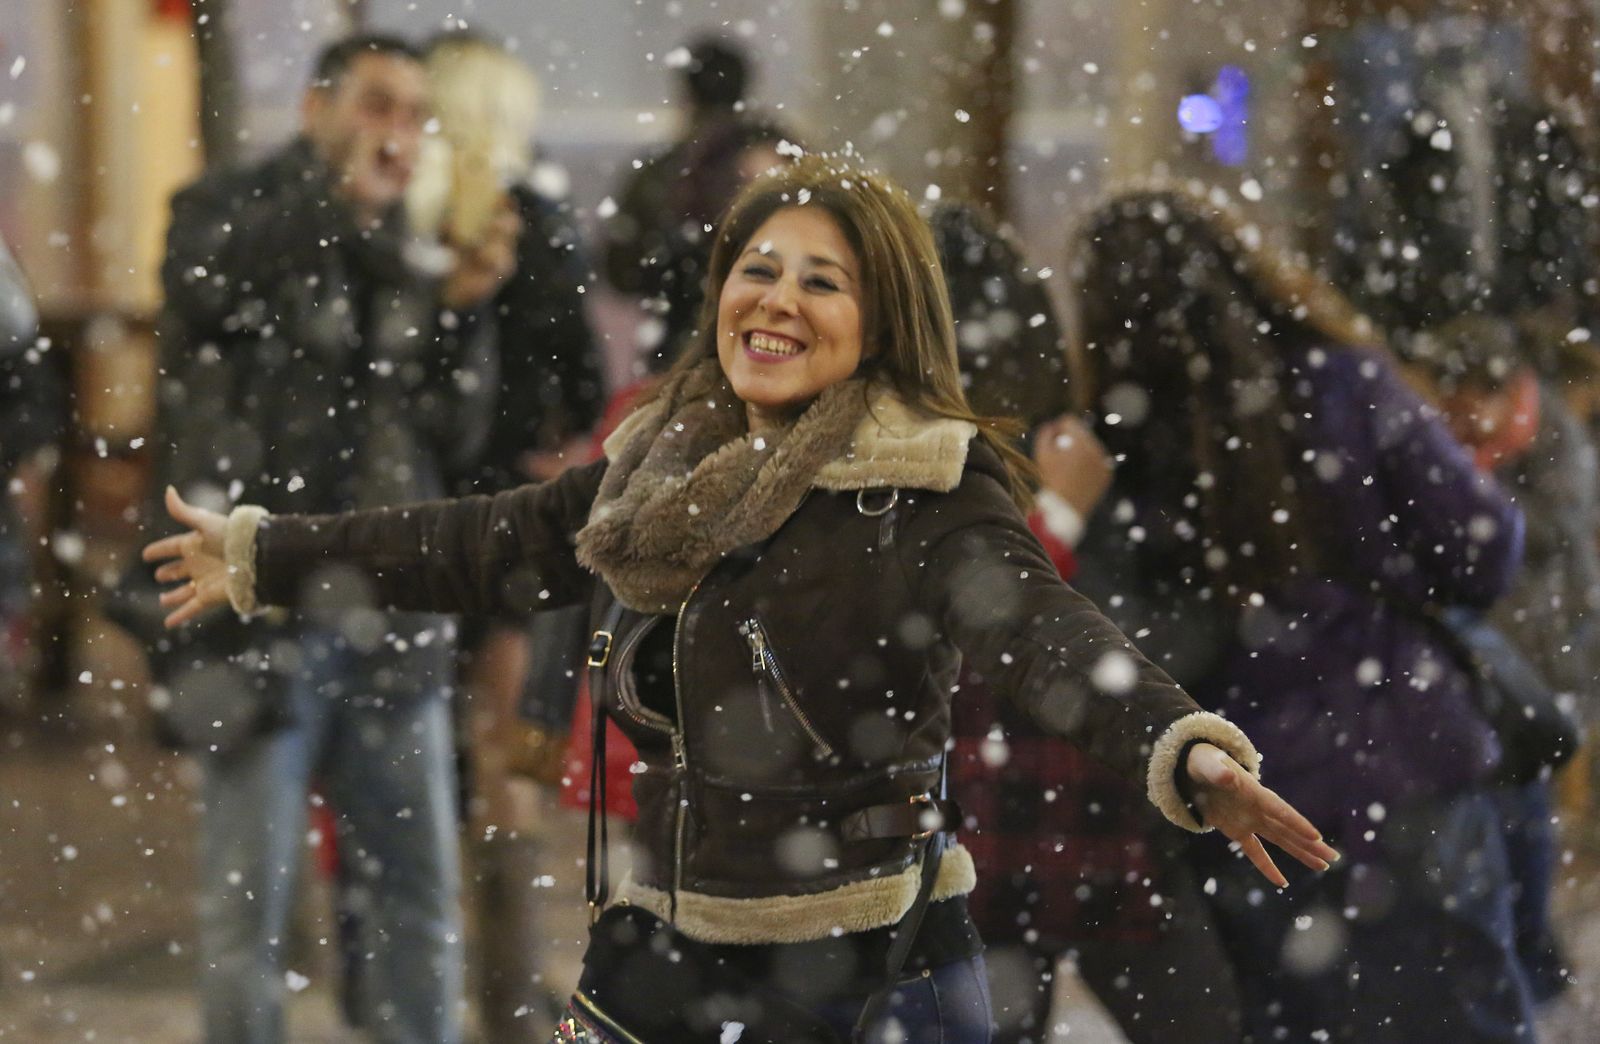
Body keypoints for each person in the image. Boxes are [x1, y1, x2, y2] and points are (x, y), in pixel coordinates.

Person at [145, 154, 1335, 1043]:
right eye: (757, 269)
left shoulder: (919, 486)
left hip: (866, 961)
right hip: (669, 934)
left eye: (822, 281)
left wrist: (1180, 748)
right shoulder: (659, 468)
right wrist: (264, 556)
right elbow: (482, 542)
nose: (775, 300)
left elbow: (1044, 632)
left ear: (881, 322)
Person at [1071, 185, 1532, 1042]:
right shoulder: (1346, 380)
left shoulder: (1128, 443)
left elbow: (1127, 648)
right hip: (1414, 758)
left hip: (1251, 800)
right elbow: (1483, 553)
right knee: (1464, 1014)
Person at [147, 34, 518, 1044]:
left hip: (393, 613)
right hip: (253, 612)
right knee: (250, 907)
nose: (396, 132)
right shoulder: (227, 207)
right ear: (317, 107)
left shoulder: (420, 241)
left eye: (413, 114)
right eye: (375, 104)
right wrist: (333, 207)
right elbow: (204, 293)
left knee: (414, 894)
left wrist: (465, 314)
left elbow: (455, 432)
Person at [933, 202, 1243, 1043]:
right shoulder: (1044, 459)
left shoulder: (1058, 449)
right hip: (1074, 818)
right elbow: (965, 637)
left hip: (1011, 828)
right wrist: (1064, 519)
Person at [407, 30, 605, 1038]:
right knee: (506, 765)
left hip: (404, 518)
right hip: (508, 525)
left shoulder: (402, 224)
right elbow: (580, 381)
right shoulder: (535, 222)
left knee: (401, 758)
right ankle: (508, 994)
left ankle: (409, 981)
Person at [1414, 312, 1600, 1002]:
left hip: (1545, 653)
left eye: (1469, 402)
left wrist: (1474, 497)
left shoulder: (1551, 435)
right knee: (1500, 811)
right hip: (1488, 654)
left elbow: (1550, 533)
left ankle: (1535, 955)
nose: (1460, 417)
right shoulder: (1457, 438)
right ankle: (1524, 952)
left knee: (1526, 808)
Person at [602, 36, 796, 370]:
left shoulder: (665, 169)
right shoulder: (781, 155)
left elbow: (620, 270)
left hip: (683, 349)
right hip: (775, 343)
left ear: (686, 94)